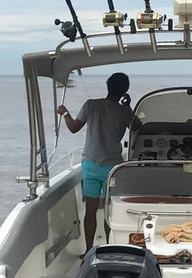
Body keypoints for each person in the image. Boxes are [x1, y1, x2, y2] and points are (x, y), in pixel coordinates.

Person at [56, 72, 134, 252]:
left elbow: (74, 128)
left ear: (107, 86)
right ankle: (109, 248)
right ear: (125, 91)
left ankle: (89, 250)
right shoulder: (125, 112)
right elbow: (138, 129)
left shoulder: (91, 105)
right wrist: (128, 107)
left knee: (90, 212)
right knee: (110, 213)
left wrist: (65, 113)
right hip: (113, 168)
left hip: (90, 165)